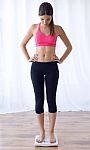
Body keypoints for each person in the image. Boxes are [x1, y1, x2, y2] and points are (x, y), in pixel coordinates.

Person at [20, 2, 72, 143]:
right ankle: (41, 132)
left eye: (47, 19)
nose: (44, 21)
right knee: (38, 102)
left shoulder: (57, 29)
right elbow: (22, 44)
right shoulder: (33, 28)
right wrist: (28, 58)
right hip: (36, 67)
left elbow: (69, 47)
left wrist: (60, 59)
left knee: (51, 101)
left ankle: (51, 132)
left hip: (51, 68)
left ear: (51, 16)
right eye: (42, 19)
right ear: (39, 17)